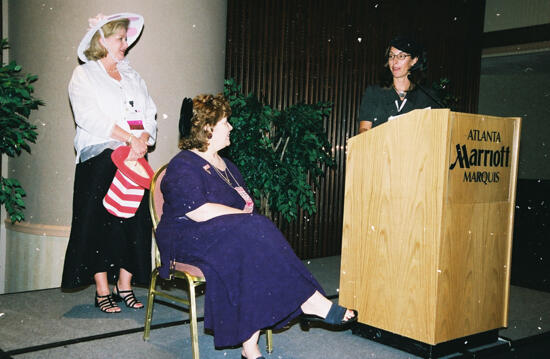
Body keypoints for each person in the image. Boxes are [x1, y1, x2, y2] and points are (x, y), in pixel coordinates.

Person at [155, 94, 357, 359]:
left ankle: (250, 349)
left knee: (252, 251)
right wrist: (244, 218)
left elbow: (245, 206)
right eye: (225, 122)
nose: (231, 127)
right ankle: (311, 301)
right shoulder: (184, 163)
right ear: (207, 128)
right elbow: (198, 211)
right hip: (188, 236)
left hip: (223, 235)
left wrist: (245, 218)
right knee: (253, 233)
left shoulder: (228, 166)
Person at [61, 13, 157, 314]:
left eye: (126, 39)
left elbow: (148, 113)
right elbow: (89, 117)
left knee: (135, 219)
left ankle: (125, 284)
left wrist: (141, 138)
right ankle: (102, 289)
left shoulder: (132, 76)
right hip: (100, 157)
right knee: (98, 223)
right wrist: (128, 139)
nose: (126, 45)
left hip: (132, 157)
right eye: (120, 39)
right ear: (101, 40)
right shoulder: (85, 75)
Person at [357, 35, 442, 133]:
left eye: (401, 56)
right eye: (391, 56)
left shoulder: (427, 96)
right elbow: (364, 129)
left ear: (414, 61)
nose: (394, 61)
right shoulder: (374, 93)